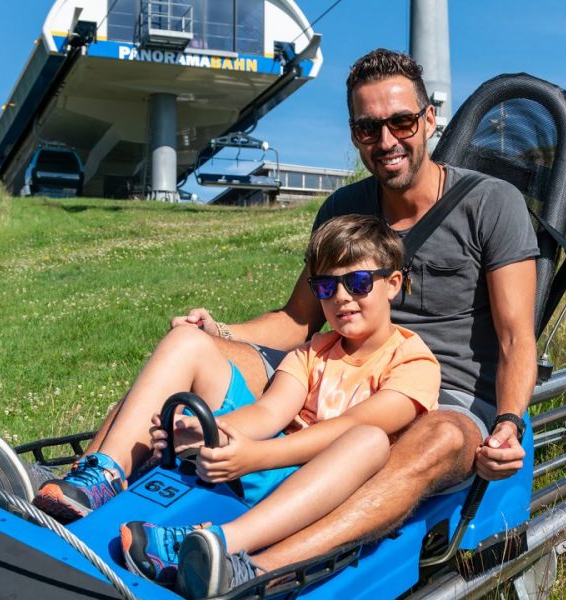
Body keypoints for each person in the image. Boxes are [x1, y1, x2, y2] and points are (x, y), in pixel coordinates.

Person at [165, 48, 539, 581]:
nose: (386, 141)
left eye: (401, 121)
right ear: (354, 133)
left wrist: (507, 422)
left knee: (433, 438)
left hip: (444, 398)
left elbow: (514, 338)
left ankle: (259, 571)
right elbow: (298, 321)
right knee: (189, 352)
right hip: (338, 369)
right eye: (368, 129)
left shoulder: (491, 203)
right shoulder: (342, 210)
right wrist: (218, 331)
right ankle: (81, 494)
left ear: (429, 118)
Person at [114, 215, 440, 596]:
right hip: (274, 466)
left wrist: (256, 456)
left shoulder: (413, 362)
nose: (341, 297)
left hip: (336, 491)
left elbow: (348, 426)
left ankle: (220, 544)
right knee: (187, 342)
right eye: (325, 286)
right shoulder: (312, 352)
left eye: (358, 282)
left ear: (393, 284)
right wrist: (214, 432)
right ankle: (102, 477)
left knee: (369, 440)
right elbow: (270, 412)